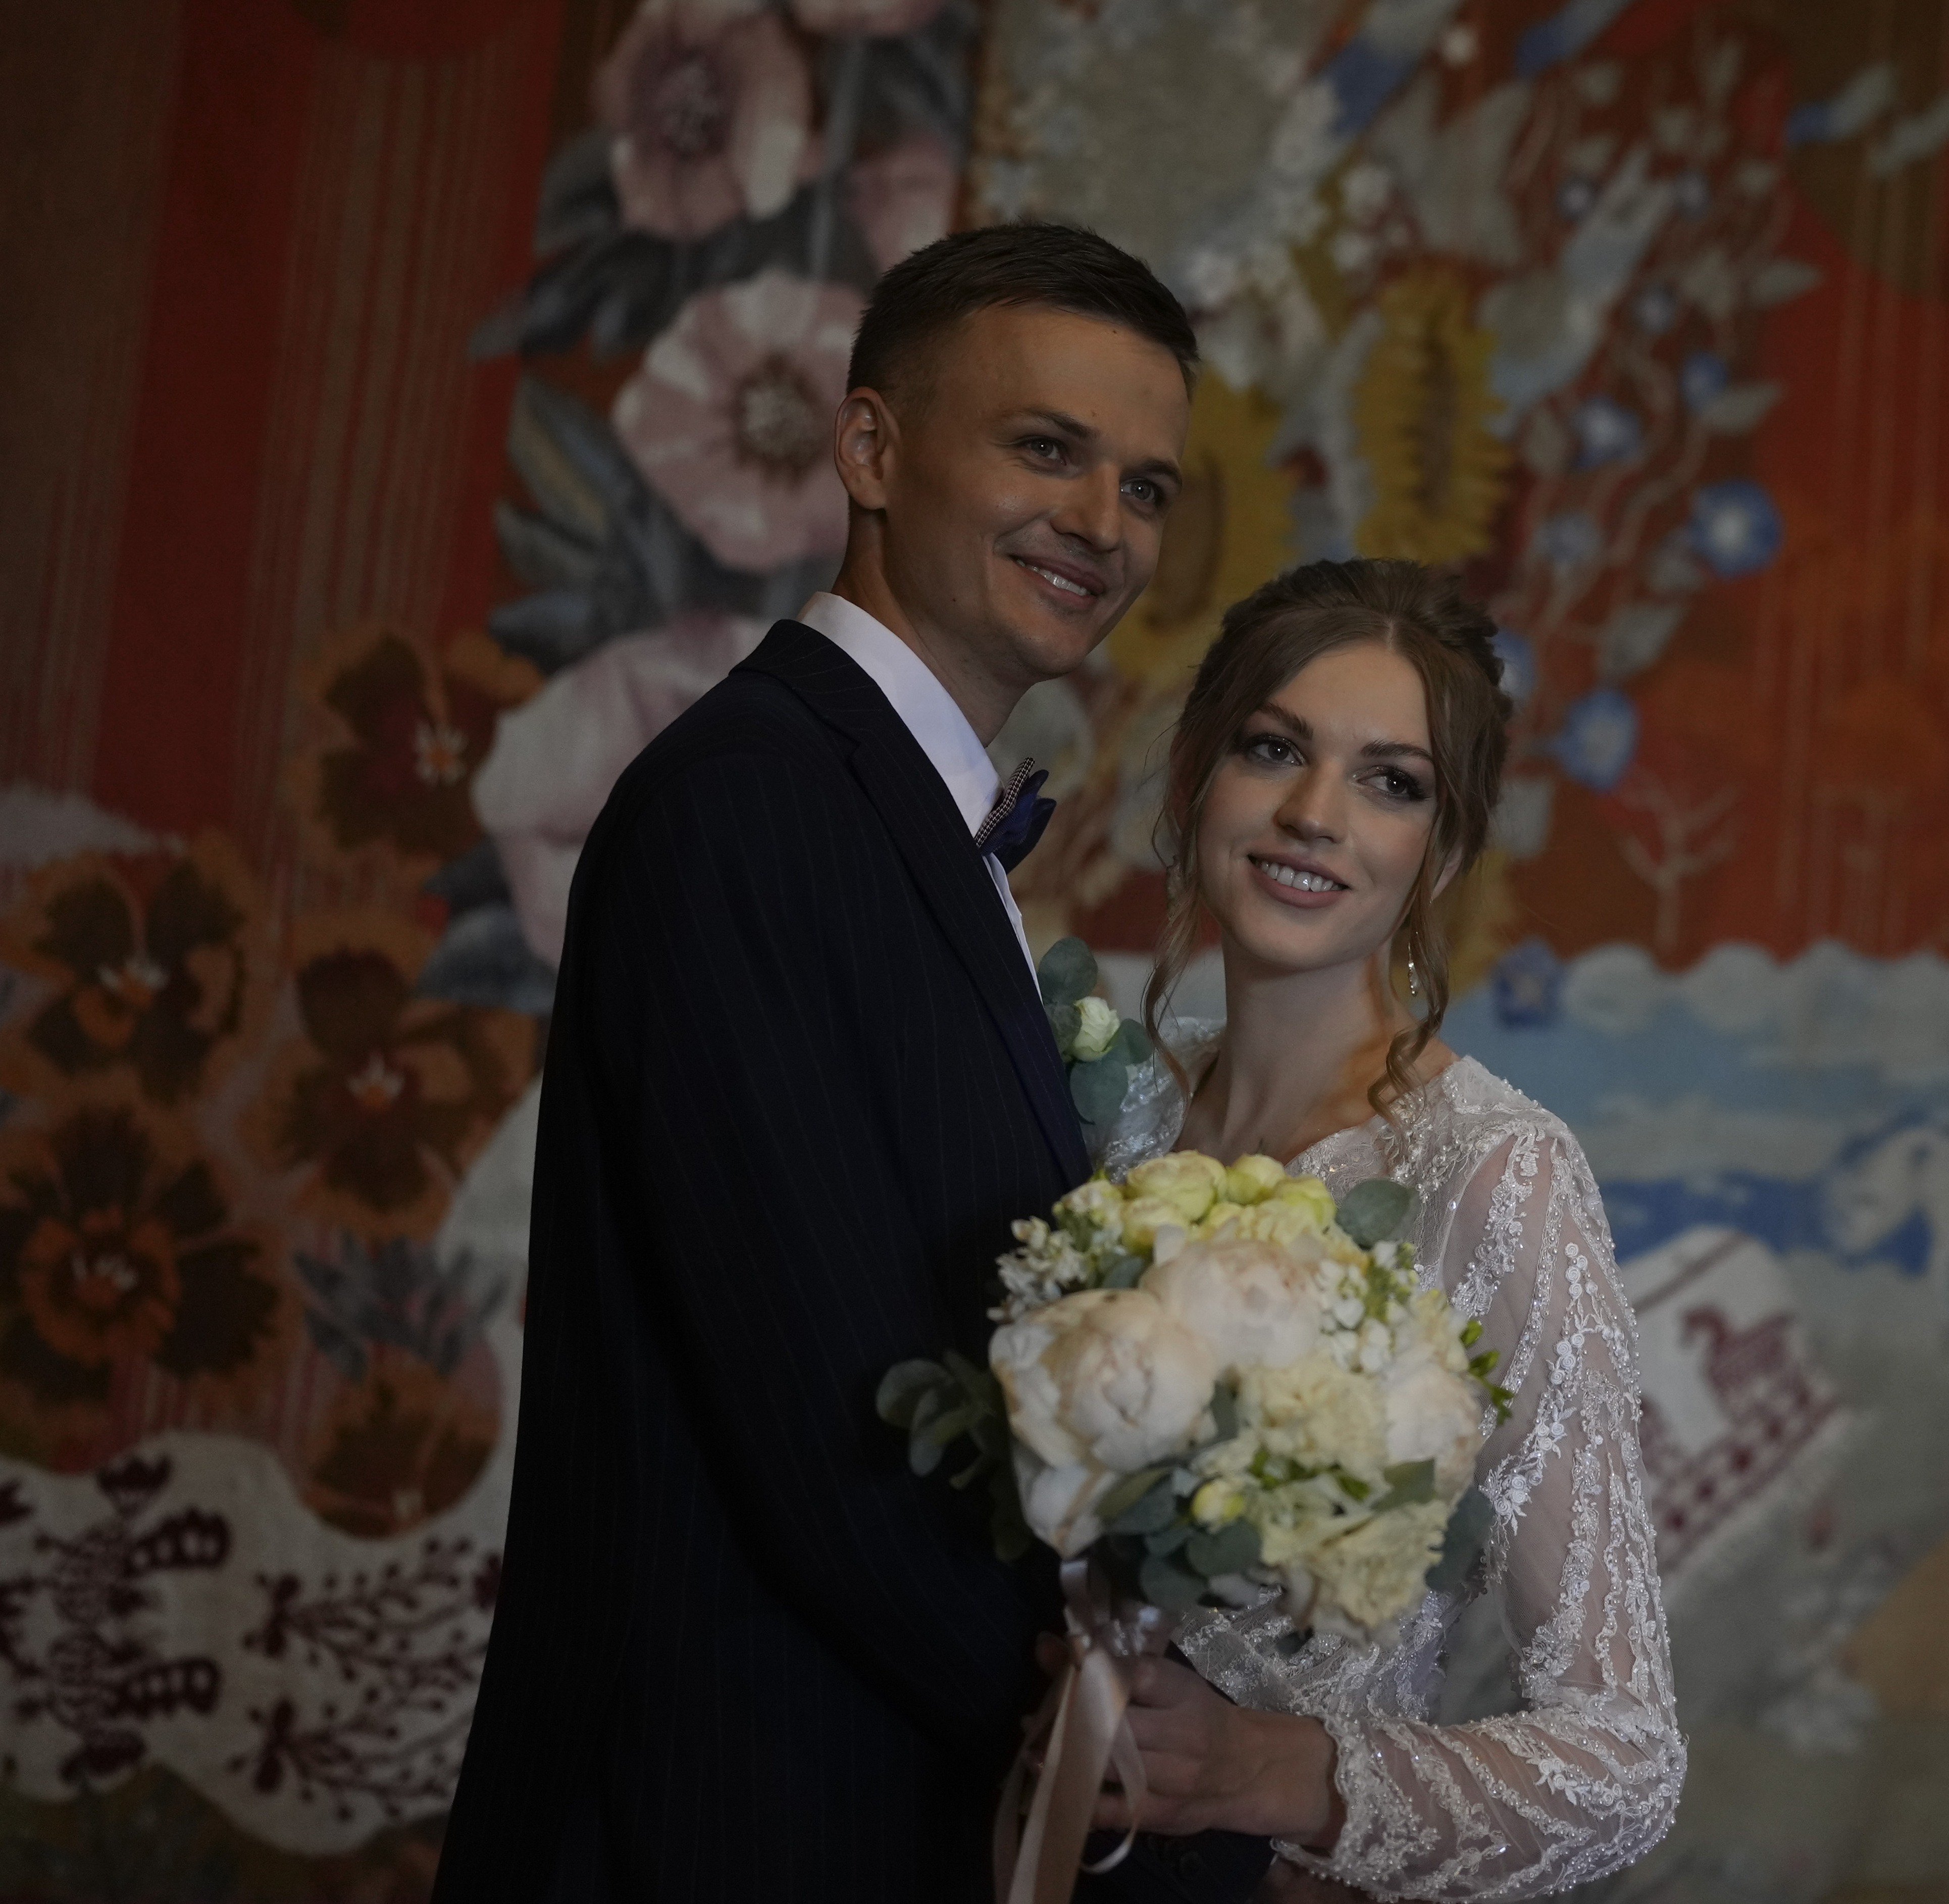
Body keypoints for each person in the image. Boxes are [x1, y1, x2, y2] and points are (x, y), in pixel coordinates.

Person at [439, 224, 1271, 1902]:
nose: (1102, 523)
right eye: (1046, 448)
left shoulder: (888, 812)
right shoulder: (755, 803)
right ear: (870, 448)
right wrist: (1127, 1796)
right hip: (720, 1820)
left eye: (1144, 487)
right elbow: (830, 1429)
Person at [1091, 560, 1684, 1900]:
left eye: (1391, 781)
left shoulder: (1492, 1176)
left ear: (1445, 852)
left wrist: (1263, 1769)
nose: (1314, 815)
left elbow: (1624, 1759)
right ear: (1193, 773)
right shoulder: (1112, 1118)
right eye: (1272, 749)